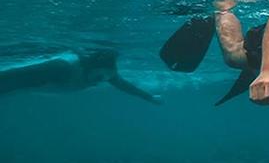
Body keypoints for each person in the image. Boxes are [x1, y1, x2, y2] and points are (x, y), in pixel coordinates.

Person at [0, 48, 162, 104]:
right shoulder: (63, 68)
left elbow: (125, 86)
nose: (100, 82)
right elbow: (18, 77)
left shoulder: (105, 72)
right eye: (100, 78)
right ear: (91, 66)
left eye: (107, 78)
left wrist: (149, 97)